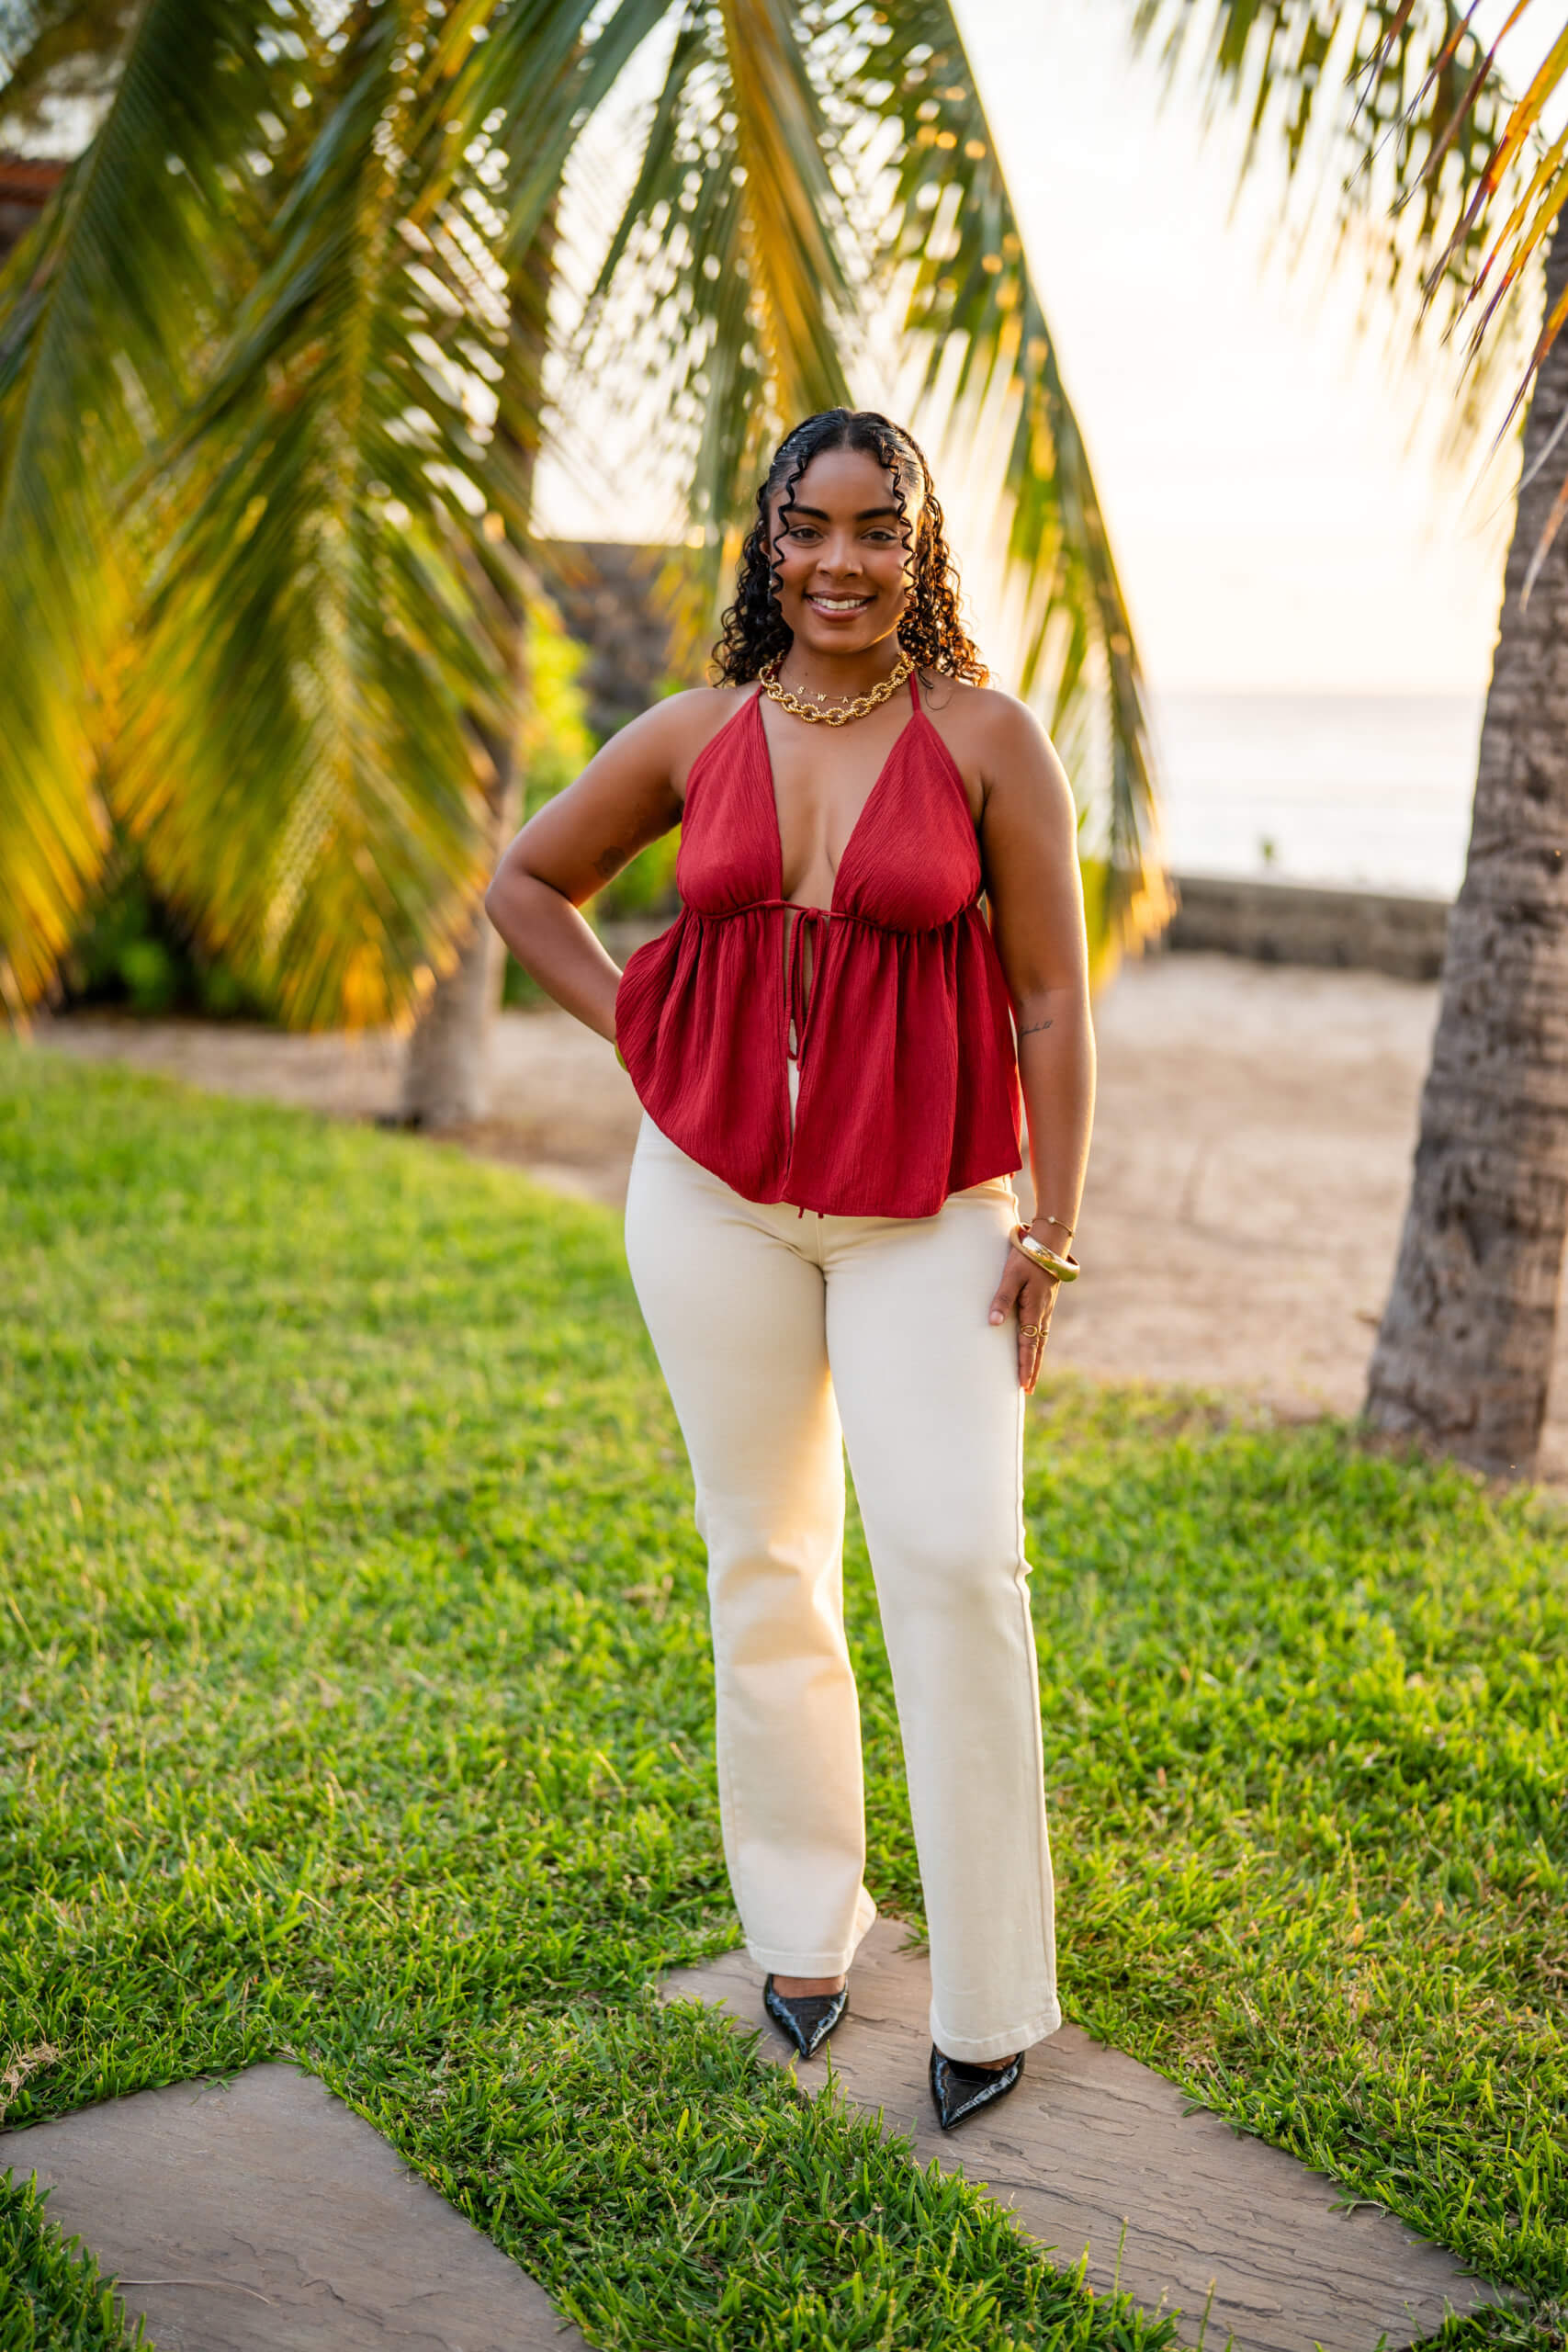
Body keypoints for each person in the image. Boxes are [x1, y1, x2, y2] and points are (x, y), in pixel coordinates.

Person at [485, 408, 1094, 2131]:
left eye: (877, 529)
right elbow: (529, 886)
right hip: (713, 1199)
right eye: (809, 528)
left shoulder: (987, 741)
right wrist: (655, 1042)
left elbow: (1051, 1001)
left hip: (932, 1204)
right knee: (765, 1558)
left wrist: (1052, 1226)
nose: (842, 560)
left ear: (922, 547)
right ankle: (804, 1930)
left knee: (959, 1559)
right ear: (764, 543)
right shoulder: (693, 731)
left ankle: (990, 1993)